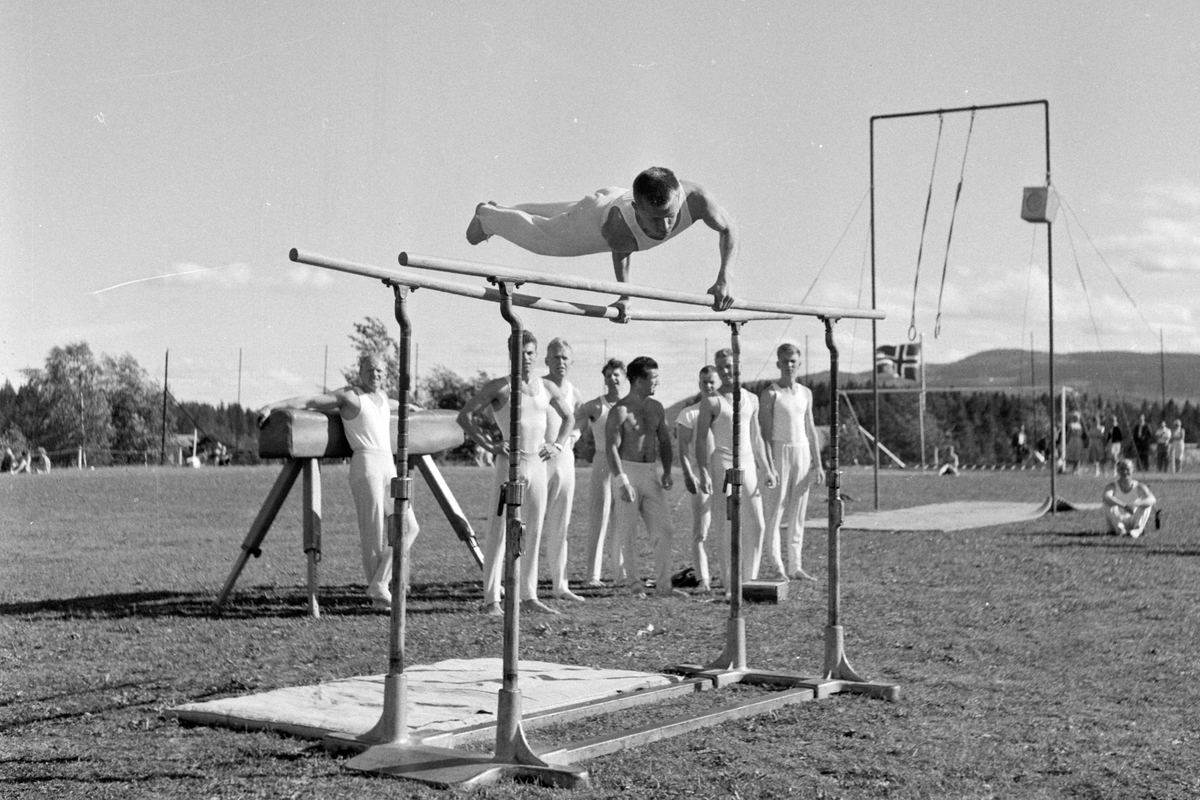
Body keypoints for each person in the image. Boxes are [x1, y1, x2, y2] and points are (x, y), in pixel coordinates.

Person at [257, 353, 419, 610]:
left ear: (385, 375)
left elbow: (393, 406)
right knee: (373, 532)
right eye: (369, 370)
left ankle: (380, 583)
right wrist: (272, 406)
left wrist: (410, 407)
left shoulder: (384, 398)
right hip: (366, 463)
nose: (375, 375)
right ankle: (379, 596)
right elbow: (310, 401)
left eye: (379, 371)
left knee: (410, 527)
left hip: (389, 463)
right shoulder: (350, 396)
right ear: (360, 372)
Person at [465, 166, 740, 314]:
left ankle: (503, 210)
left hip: (609, 198)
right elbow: (622, 253)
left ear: (679, 197)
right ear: (637, 209)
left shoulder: (698, 199)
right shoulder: (620, 223)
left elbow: (728, 229)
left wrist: (724, 277)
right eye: (654, 220)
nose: (665, 226)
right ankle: (487, 216)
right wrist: (624, 296)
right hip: (598, 218)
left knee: (557, 217)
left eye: (669, 216)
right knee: (544, 238)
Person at [457, 330, 576, 616]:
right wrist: (491, 444)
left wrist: (558, 445)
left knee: (532, 529)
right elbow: (465, 416)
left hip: (538, 463)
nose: (526, 358)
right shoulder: (500, 387)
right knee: (499, 531)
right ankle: (491, 600)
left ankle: (529, 595)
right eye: (521, 352)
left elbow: (570, 417)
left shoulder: (545, 387)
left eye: (531, 353)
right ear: (510, 352)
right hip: (511, 465)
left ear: (537, 355)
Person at [605, 356, 684, 598]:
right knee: (627, 530)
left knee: (665, 529)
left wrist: (668, 470)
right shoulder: (619, 411)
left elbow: (664, 441)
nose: (657, 383)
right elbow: (611, 448)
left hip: (650, 472)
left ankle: (663, 585)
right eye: (653, 378)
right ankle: (634, 583)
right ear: (638, 380)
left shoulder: (656, 407)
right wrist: (622, 480)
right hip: (627, 471)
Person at [695, 348, 773, 592]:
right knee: (726, 524)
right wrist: (704, 471)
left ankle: (748, 579)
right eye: (721, 368)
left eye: (730, 366)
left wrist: (767, 468)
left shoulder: (752, 398)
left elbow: (757, 436)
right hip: (723, 462)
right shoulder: (711, 401)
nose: (727, 372)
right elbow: (699, 439)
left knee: (757, 523)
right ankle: (730, 584)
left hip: (748, 462)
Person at [759, 344, 824, 581]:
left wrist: (818, 463)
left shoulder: (806, 393)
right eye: (785, 361)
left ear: (799, 363)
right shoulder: (770, 393)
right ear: (778, 363)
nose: (789, 366)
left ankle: (795, 566)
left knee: (798, 513)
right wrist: (769, 466)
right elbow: (764, 434)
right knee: (774, 513)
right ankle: (777, 566)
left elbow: (811, 429)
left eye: (793, 361)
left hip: (802, 452)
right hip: (779, 452)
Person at [540, 338, 586, 602]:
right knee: (528, 523)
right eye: (556, 357)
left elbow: (579, 420)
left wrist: (572, 437)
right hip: (540, 458)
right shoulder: (539, 387)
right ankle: (523, 583)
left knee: (561, 524)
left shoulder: (574, 393)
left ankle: (561, 584)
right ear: (546, 360)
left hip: (565, 459)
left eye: (565, 358)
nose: (561, 362)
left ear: (571, 362)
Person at [576, 358, 625, 587]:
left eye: (617, 375)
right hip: (603, 462)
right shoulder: (595, 406)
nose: (612, 379)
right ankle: (592, 575)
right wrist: (585, 450)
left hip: (624, 464)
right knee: (599, 518)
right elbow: (576, 429)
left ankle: (621, 573)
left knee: (622, 520)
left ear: (624, 377)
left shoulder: (629, 405)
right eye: (608, 375)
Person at [675, 365, 721, 592]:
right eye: (705, 382)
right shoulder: (689, 413)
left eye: (712, 381)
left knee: (727, 528)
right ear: (699, 384)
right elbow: (682, 447)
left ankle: (730, 575)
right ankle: (703, 578)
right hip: (701, 479)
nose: (709, 386)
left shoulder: (727, 411)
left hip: (724, 476)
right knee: (701, 531)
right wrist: (689, 474)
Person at [1102, 458, 1156, 538]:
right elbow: (1106, 496)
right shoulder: (1112, 486)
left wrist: (1136, 504)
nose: (1124, 472)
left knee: (1147, 504)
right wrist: (1124, 506)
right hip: (1118, 519)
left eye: (1127, 469)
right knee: (1107, 503)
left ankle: (1137, 529)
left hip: (1133, 519)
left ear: (1133, 470)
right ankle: (1120, 529)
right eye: (1122, 469)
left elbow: (1152, 499)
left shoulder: (1139, 486)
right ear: (1118, 471)